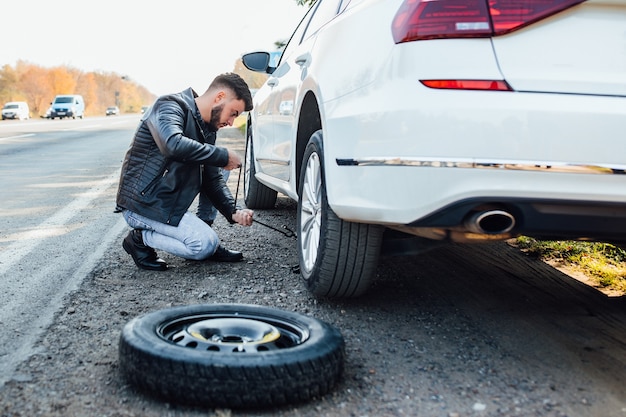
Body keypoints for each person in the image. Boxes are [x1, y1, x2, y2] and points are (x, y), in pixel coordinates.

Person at [115, 72, 254, 271]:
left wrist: (233, 211)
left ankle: (204, 230)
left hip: (166, 202)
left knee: (217, 168)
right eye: (233, 113)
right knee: (203, 245)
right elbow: (172, 144)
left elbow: (212, 179)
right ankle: (139, 239)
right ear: (220, 97)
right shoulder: (169, 106)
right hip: (142, 204)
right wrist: (222, 156)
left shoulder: (208, 129)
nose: (232, 122)